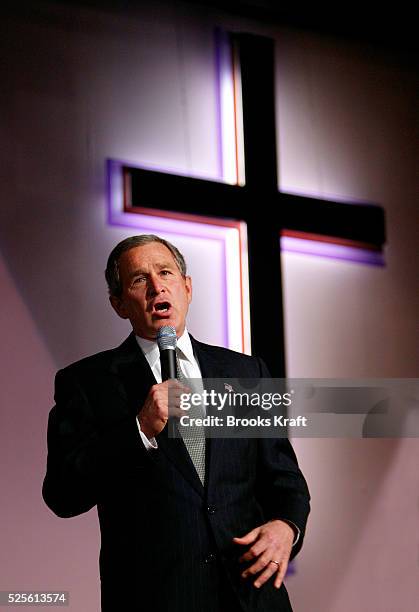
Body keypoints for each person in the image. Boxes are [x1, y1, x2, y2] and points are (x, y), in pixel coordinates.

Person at [43, 234, 310, 612]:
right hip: (155, 599)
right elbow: (63, 493)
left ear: (186, 287)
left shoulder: (245, 372)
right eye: (139, 280)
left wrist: (286, 527)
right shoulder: (87, 383)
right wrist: (139, 429)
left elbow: (285, 480)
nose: (156, 286)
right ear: (119, 304)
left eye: (165, 272)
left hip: (252, 597)